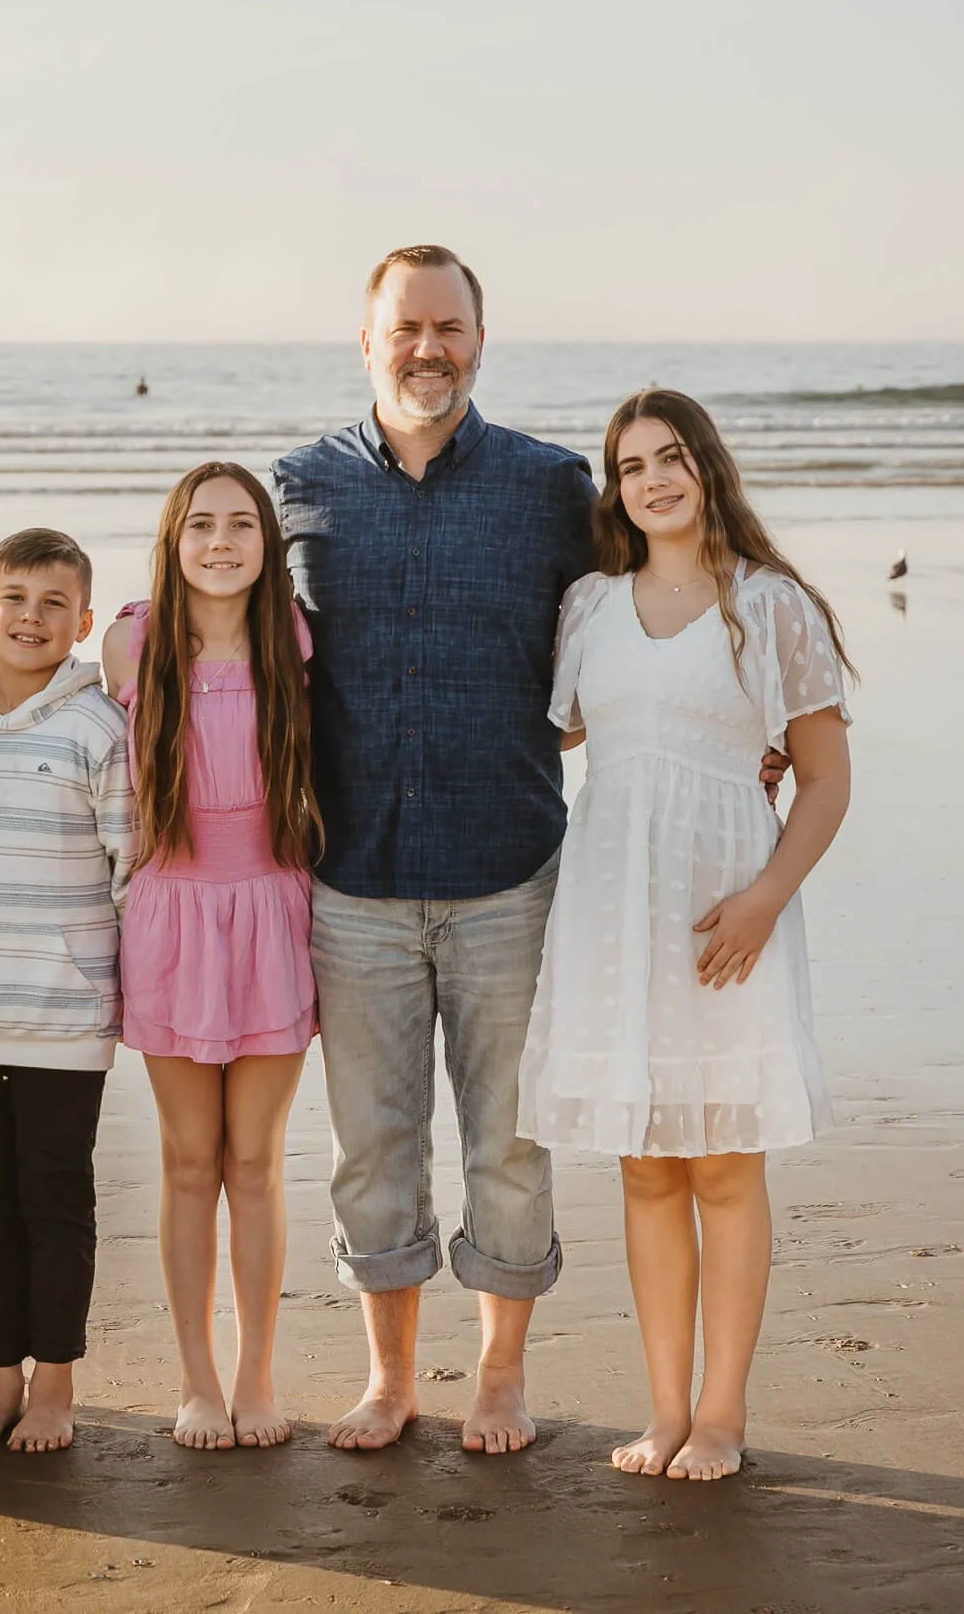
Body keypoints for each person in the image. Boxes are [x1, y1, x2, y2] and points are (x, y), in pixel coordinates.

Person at [270, 245, 597, 1454]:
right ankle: (391, 1376)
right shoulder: (298, 485)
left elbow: (641, 618)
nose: (427, 349)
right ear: (366, 342)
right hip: (349, 876)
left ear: (479, 338)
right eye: (405, 328)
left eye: (448, 327)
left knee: (509, 1140)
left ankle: (501, 1374)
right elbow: (231, 649)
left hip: (509, 865)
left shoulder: (551, 487)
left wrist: (751, 733)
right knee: (372, 1145)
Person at [519, 387, 854, 1480]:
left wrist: (764, 897)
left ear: (705, 466)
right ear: (613, 490)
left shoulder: (771, 607)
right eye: (630, 466)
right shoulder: (587, 608)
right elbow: (568, 734)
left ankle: (721, 1413)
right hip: (611, 907)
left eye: (671, 457)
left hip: (728, 913)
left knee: (723, 1164)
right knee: (646, 1165)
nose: (653, 479)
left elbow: (824, 779)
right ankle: (662, 1409)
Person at [100, 462, 319, 1451]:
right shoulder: (131, 642)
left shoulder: (299, 641)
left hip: (272, 911)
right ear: (173, 539)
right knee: (190, 1162)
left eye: (241, 524)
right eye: (201, 526)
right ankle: (196, 1380)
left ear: (267, 543)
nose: (221, 542)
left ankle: (256, 1374)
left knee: (256, 1162)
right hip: (170, 915)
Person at [0, 528, 137, 1454]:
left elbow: (132, 867)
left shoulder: (99, 730)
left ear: (83, 622)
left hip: (64, 1011)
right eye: (14, 598)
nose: (32, 617)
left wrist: (120, 991)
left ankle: (55, 1385)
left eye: (55, 604)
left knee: (56, 1198)